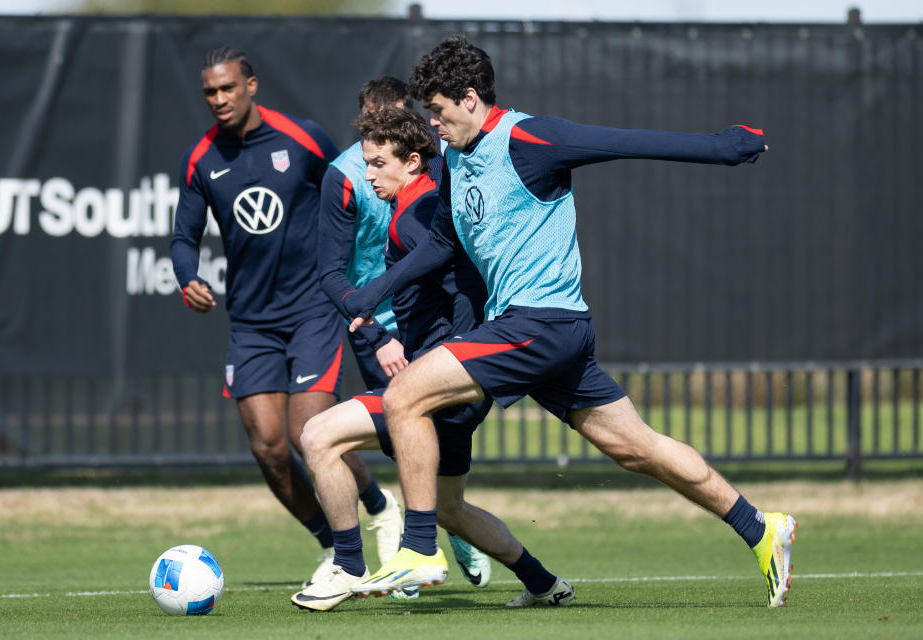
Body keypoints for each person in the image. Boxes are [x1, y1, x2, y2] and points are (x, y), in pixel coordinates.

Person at [344, 36, 797, 608]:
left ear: (468, 98)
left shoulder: (531, 139)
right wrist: (374, 293)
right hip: (546, 333)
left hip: (541, 323)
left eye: (436, 111)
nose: (432, 125)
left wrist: (723, 147)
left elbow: (627, 142)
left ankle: (418, 547)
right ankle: (762, 529)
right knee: (638, 450)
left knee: (404, 393)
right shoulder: (457, 156)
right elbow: (442, 241)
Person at [292, 107, 571, 611]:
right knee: (450, 509)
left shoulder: (417, 218)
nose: (368, 173)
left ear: (414, 162)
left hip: (441, 389)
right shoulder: (425, 206)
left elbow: (465, 284)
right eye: (365, 163)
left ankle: (347, 567)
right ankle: (544, 582)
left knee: (318, 436)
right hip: (458, 387)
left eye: (378, 163)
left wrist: (450, 359)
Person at [169, 46, 402, 588]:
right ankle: (331, 542)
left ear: (251, 85)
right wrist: (188, 277)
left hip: (313, 309)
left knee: (308, 432)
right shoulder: (201, 157)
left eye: (228, 88)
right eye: (210, 92)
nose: (219, 99)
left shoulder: (303, 139)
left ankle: (375, 509)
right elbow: (184, 236)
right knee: (269, 449)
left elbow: (356, 188)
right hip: (251, 322)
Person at [316, 76, 491, 593]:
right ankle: (421, 547)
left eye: (396, 119)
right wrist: (374, 331)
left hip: (434, 331)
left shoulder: (432, 167)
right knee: (402, 442)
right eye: (374, 128)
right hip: (381, 332)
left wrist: (459, 346)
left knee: (411, 438)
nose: (375, 161)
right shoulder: (345, 176)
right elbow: (331, 273)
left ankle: (430, 538)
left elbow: (454, 266)